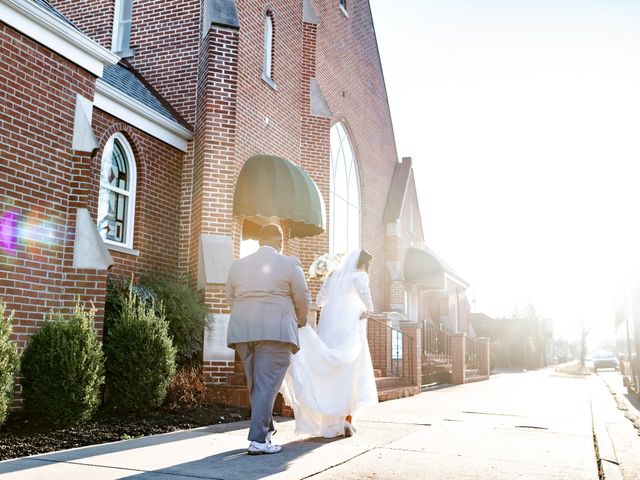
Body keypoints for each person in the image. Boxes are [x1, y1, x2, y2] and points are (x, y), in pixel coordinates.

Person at [226, 223, 311, 455]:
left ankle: (267, 430)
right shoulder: (290, 264)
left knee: (256, 385)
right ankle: (259, 440)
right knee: (266, 386)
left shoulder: (238, 265)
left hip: (243, 331)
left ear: (259, 241)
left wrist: (246, 315)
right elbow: (302, 297)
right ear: (280, 242)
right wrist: (300, 320)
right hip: (276, 331)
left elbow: (229, 297)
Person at [280, 249, 378, 438]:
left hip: (330, 329)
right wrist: (369, 311)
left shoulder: (333, 276)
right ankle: (346, 421)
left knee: (330, 370)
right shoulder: (360, 276)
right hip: (351, 328)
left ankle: (330, 420)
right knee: (352, 372)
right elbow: (366, 298)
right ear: (364, 264)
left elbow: (320, 300)